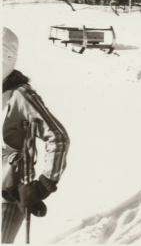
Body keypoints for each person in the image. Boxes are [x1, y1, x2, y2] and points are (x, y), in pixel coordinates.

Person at [2, 28, 70, 244]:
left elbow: (58, 137)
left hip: (9, 196)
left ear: (6, 57)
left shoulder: (21, 95)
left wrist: (43, 185)